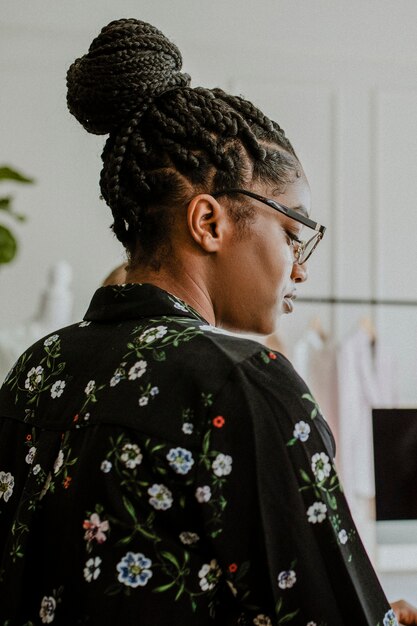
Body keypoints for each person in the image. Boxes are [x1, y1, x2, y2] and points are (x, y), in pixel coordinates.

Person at [0, 18, 414, 626]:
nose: (299, 269)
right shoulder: (244, 383)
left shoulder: (35, 369)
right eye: (293, 233)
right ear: (209, 222)